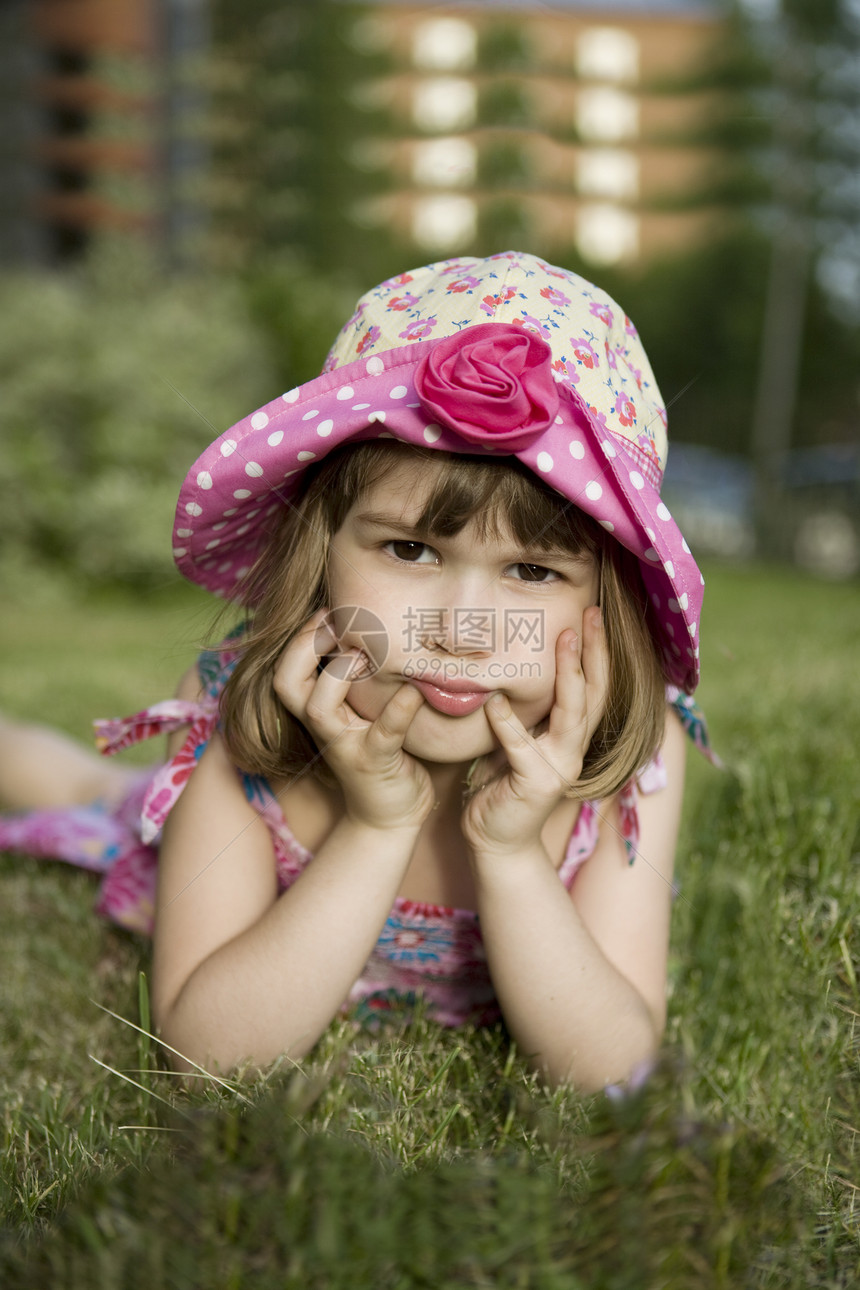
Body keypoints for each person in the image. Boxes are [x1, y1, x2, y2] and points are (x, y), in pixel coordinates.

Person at [0, 252, 715, 1091]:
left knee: (88, 789)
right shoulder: (240, 722)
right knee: (90, 793)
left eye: (533, 572)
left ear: (613, 599)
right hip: (201, 835)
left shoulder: (637, 762)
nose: (462, 631)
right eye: (410, 549)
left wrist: (514, 853)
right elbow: (205, 1059)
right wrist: (377, 828)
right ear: (319, 553)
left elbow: (614, 1074)